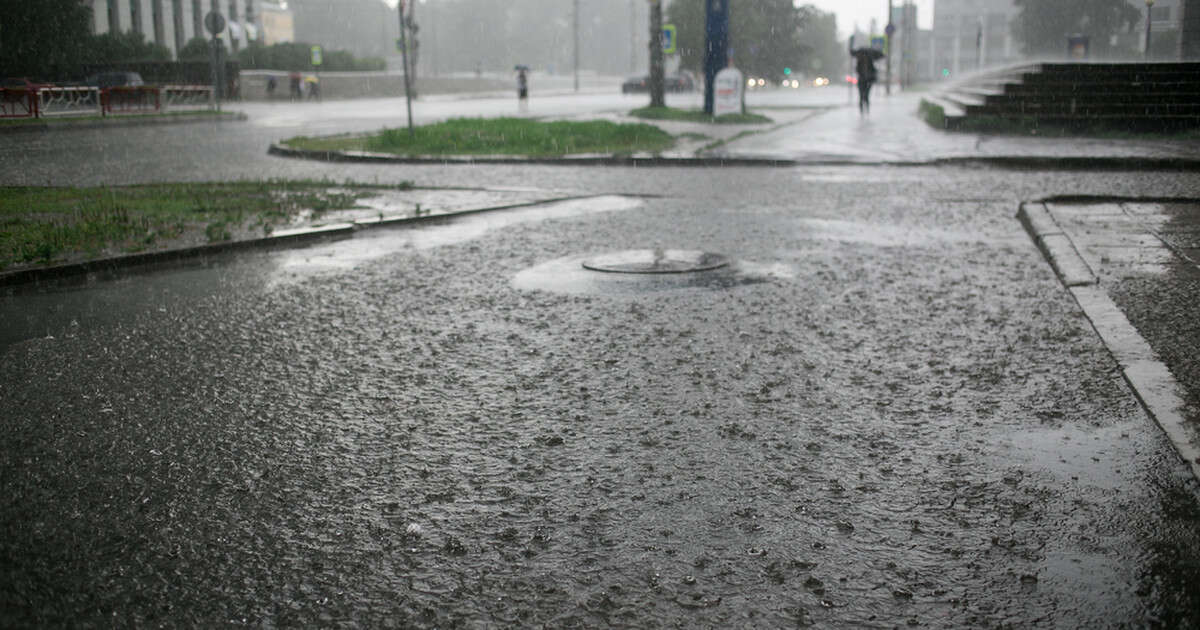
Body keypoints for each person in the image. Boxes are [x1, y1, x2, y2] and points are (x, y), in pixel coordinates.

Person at [853, 50, 880, 115]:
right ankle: (861, 110)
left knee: (866, 95)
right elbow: (857, 70)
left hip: (868, 81)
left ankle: (867, 109)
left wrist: (870, 75)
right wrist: (862, 74)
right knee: (861, 95)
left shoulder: (870, 63)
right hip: (861, 81)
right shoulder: (859, 62)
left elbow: (874, 71)